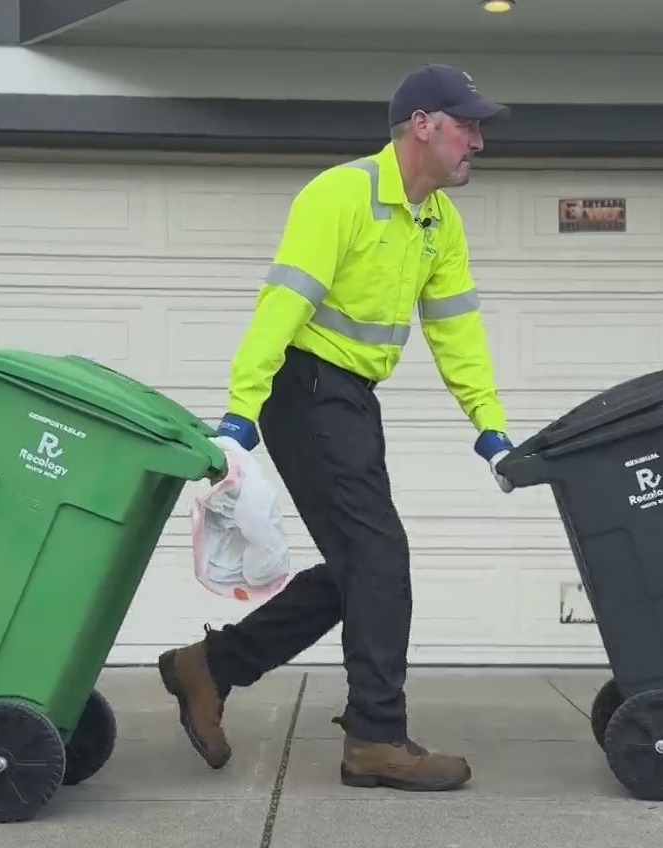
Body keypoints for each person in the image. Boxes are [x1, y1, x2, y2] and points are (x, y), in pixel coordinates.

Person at [155, 63, 517, 793]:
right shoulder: (341, 194)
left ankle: (212, 666)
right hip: (305, 388)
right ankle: (375, 738)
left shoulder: (437, 224)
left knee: (363, 568)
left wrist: (490, 428)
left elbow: (457, 333)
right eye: (466, 125)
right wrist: (240, 409)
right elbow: (282, 305)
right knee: (379, 559)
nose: (477, 140)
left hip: (352, 401)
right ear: (423, 125)